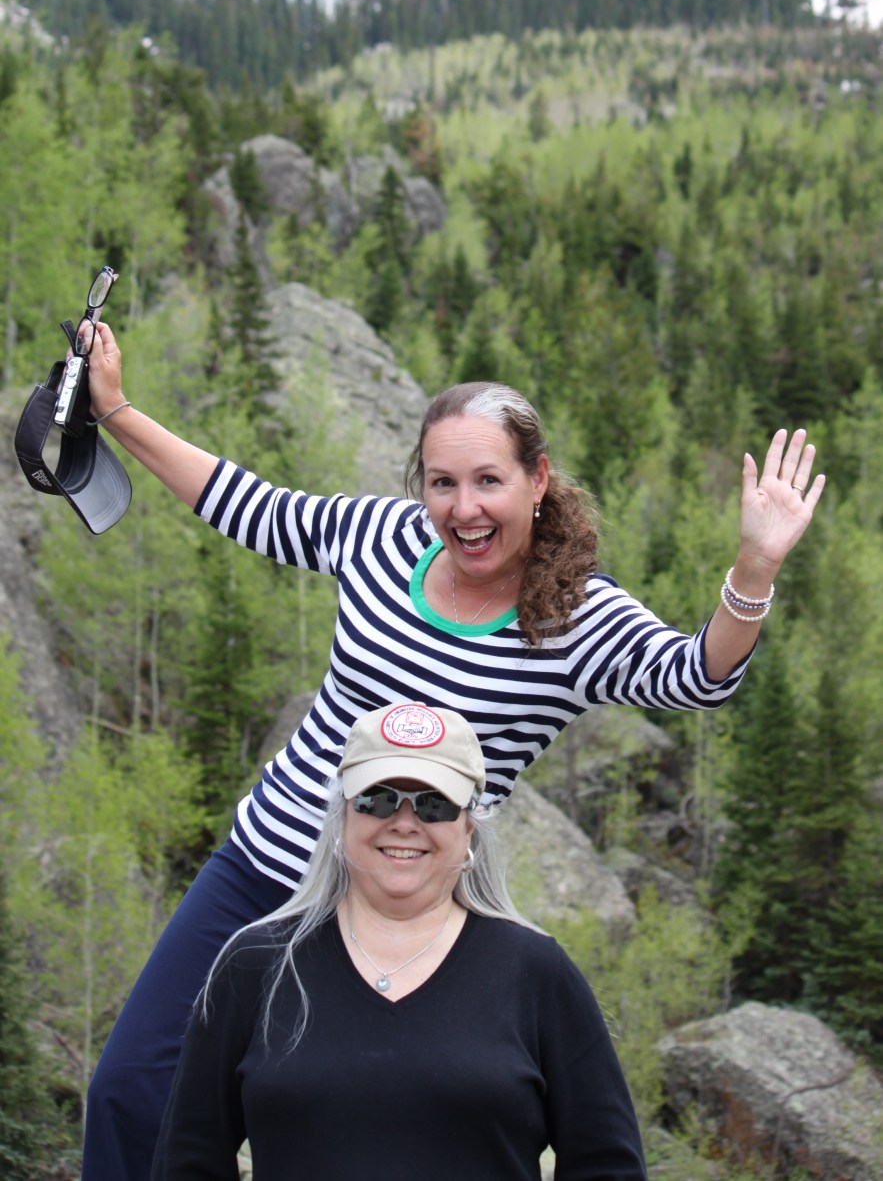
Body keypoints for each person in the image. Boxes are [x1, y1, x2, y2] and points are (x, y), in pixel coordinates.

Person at [81, 321, 825, 1179]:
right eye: (442, 482)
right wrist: (116, 410)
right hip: (258, 874)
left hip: (411, 912)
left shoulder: (574, 619)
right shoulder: (381, 538)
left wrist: (754, 567)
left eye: (487, 481)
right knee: (130, 1092)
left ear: (537, 480)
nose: (462, 509)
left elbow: (695, 675)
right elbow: (246, 505)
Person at [150, 702, 649, 1181]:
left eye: (434, 805)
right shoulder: (256, 964)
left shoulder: (538, 973)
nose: (405, 822)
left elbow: (607, 1164)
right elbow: (187, 1160)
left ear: (468, 829)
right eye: (378, 797)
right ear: (342, 819)